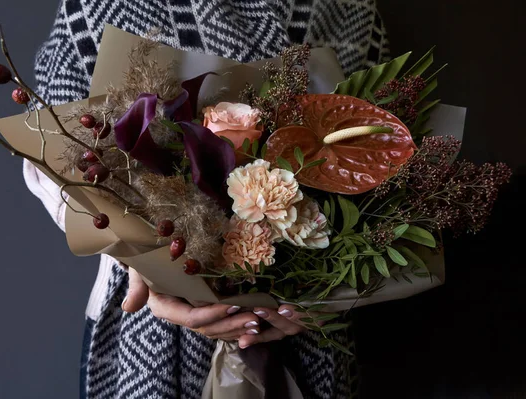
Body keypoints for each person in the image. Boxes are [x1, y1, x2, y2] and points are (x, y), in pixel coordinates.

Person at [24, 1, 390, 398]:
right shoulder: (101, 6)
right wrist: (138, 257)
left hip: (309, 322)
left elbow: (383, 150)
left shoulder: (351, 7)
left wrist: (331, 291)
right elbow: (51, 152)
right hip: (150, 328)